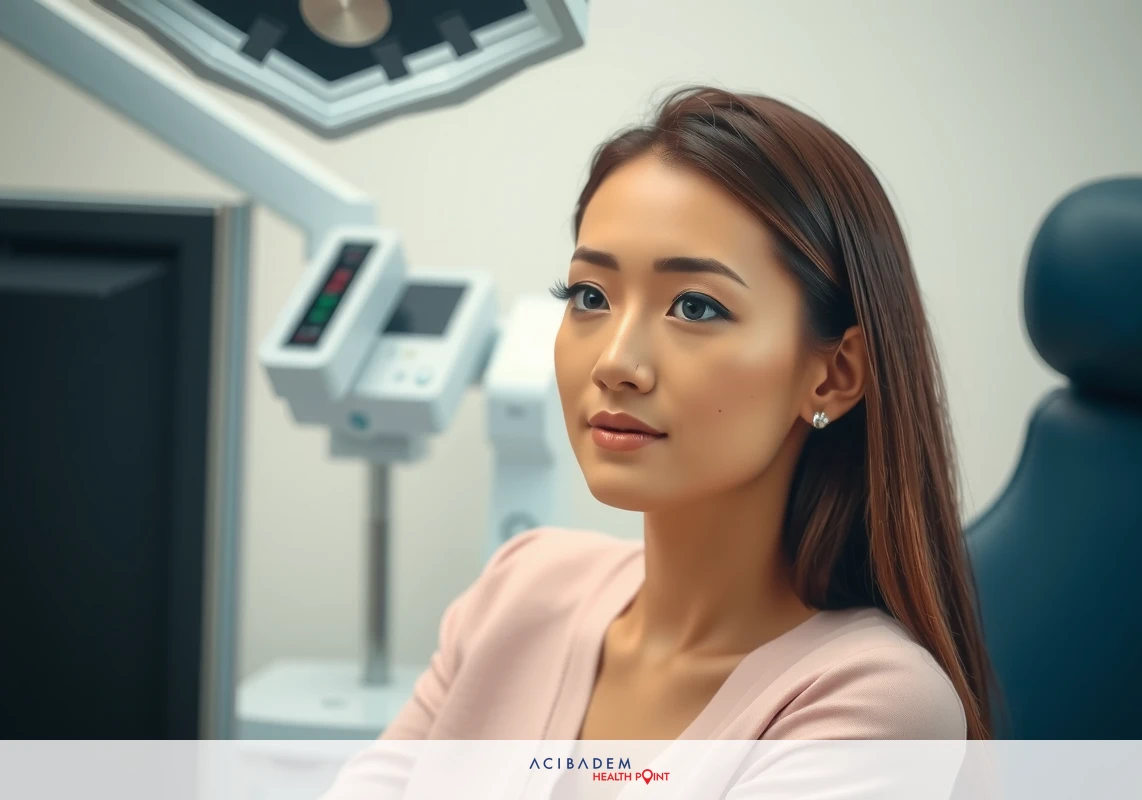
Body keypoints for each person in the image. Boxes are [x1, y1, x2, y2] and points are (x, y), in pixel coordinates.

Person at [352, 85, 996, 760]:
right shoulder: (520, 590)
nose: (615, 362)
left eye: (694, 307)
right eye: (590, 296)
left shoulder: (874, 702)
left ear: (835, 374)